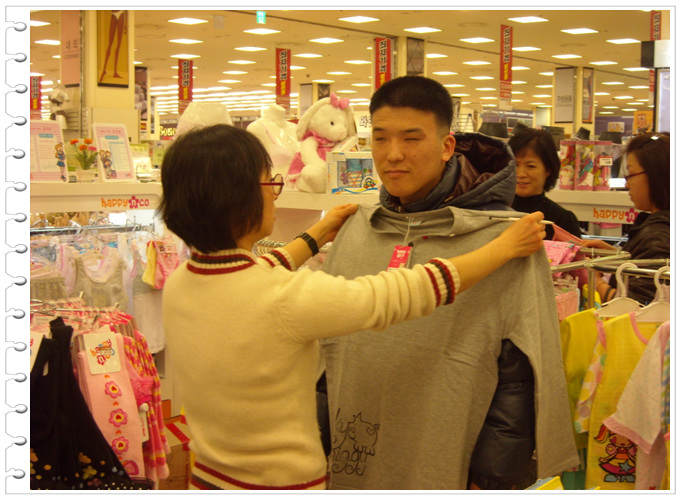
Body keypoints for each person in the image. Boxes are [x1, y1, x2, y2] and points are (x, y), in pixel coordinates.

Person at [157, 123, 546, 490]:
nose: (274, 193)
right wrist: (502, 248)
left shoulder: (181, 283)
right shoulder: (284, 297)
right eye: (269, 183)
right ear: (237, 198)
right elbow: (402, 292)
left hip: (207, 477)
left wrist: (319, 233)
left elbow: (257, 275)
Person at [319, 76, 579, 490]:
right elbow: (326, 355)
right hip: (352, 458)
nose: (393, 154)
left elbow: (519, 377)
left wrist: (491, 480)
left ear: (446, 146)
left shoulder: (509, 240)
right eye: (380, 139)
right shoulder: (355, 230)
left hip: (446, 463)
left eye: (411, 138)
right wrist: (318, 441)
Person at [582, 132, 670, 304]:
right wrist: (618, 256)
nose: (627, 184)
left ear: (655, 175)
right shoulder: (658, 228)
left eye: (631, 175)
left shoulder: (657, 236)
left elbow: (636, 306)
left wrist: (595, 280)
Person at [508, 127, 582, 239]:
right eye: (515, 165)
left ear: (548, 169)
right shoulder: (495, 212)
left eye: (530, 166)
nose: (521, 173)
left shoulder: (561, 220)